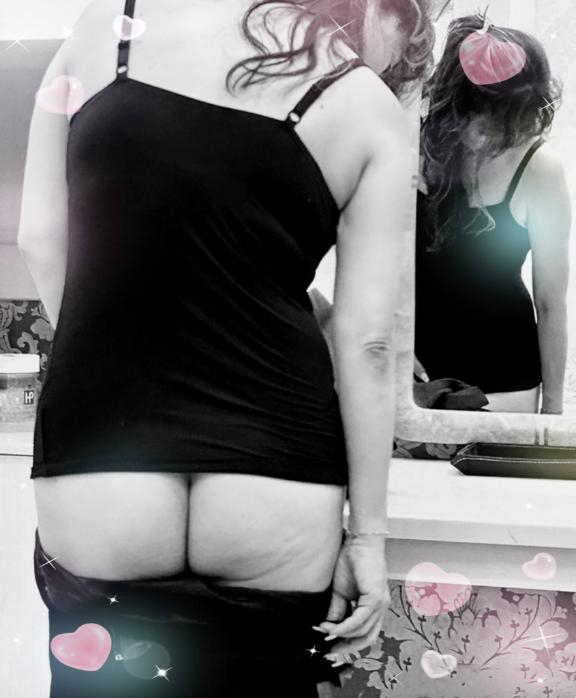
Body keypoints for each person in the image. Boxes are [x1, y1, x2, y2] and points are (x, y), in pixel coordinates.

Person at [18, 0, 434, 696]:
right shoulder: (369, 107)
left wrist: (114, 355)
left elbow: (39, 238)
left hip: (104, 460)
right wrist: (367, 538)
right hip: (277, 479)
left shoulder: (112, 25)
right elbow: (368, 343)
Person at [415, 14, 571, 414]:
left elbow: (550, 302)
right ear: (453, 102)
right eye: (477, 114)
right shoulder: (412, 146)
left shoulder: (541, 170)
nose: (485, 132)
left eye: (504, 119)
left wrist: (552, 413)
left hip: (505, 379)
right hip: (413, 372)